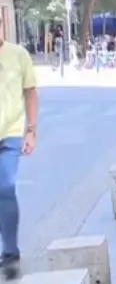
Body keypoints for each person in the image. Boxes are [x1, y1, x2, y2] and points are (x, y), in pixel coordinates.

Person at [0, 16, 37, 280]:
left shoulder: (18, 55)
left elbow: (30, 91)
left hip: (10, 134)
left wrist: (31, 131)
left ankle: (10, 252)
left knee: (6, 189)